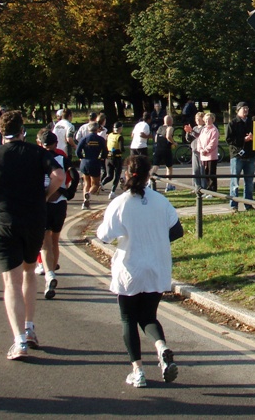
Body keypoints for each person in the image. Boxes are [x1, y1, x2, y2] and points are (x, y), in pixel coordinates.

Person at [0, 110, 64, 360]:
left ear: (0, 133)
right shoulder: (37, 152)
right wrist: (45, 195)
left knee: (11, 282)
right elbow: (59, 175)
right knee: (29, 272)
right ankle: (30, 328)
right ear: (24, 131)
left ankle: (19, 341)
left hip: (5, 222)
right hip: (34, 220)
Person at [97, 154, 183, 388]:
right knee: (148, 317)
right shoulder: (161, 201)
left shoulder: (120, 203)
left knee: (128, 318)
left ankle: (138, 371)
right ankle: (161, 348)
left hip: (130, 267)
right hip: (157, 266)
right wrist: (155, 239)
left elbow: (104, 235)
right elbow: (177, 231)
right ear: (149, 176)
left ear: (126, 174)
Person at [38, 129, 71, 300]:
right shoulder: (62, 159)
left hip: (43, 202)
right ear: (56, 144)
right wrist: (68, 191)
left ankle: (49, 274)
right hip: (60, 202)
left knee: (45, 243)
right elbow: (74, 175)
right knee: (55, 241)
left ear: (40, 144)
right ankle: (52, 270)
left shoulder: (37, 158)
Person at [225, 102, 255, 212]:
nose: (246, 110)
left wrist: (253, 138)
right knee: (235, 182)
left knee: (249, 182)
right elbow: (229, 139)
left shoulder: (251, 123)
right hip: (237, 155)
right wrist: (243, 139)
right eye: (244, 108)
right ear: (238, 110)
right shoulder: (233, 123)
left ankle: (248, 204)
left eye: (247, 108)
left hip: (250, 155)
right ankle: (234, 205)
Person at [77, 122, 108, 210]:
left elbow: (77, 151)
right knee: (95, 184)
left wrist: (81, 157)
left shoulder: (84, 138)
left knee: (86, 183)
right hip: (94, 162)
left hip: (85, 161)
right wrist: (102, 158)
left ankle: (85, 202)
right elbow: (105, 151)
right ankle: (89, 195)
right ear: (97, 129)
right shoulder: (100, 139)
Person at [152, 114, 176, 192]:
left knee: (155, 166)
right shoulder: (170, 127)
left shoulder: (160, 128)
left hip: (158, 148)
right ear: (170, 121)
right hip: (166, 149)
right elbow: (168, 136)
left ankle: (149, 182)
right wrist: (174, 142)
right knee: (169, 167)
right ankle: (168, 185)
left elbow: (156, 139)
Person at [197, 112, 219, 196]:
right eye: (206, 120)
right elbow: (199, 140)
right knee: (206, 173)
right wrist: (200, 149)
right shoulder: (203, 129)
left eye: (209, 120)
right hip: (203, 156)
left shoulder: (214, 130)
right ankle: (207, 190)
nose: (207, 121)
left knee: (211, 173)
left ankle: (213, 191)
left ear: (212, 120)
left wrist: (206, 150)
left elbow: (213, 142)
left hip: (211, 155)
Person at [105, 121, 125, 198]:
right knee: (117, 176)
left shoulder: (109, 135)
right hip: (116, 158)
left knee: (109, 175)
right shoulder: (119, 137)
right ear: (120, 128)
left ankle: (101, 184)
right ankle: (112, 192)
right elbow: (121, 149)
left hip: (108, 157)